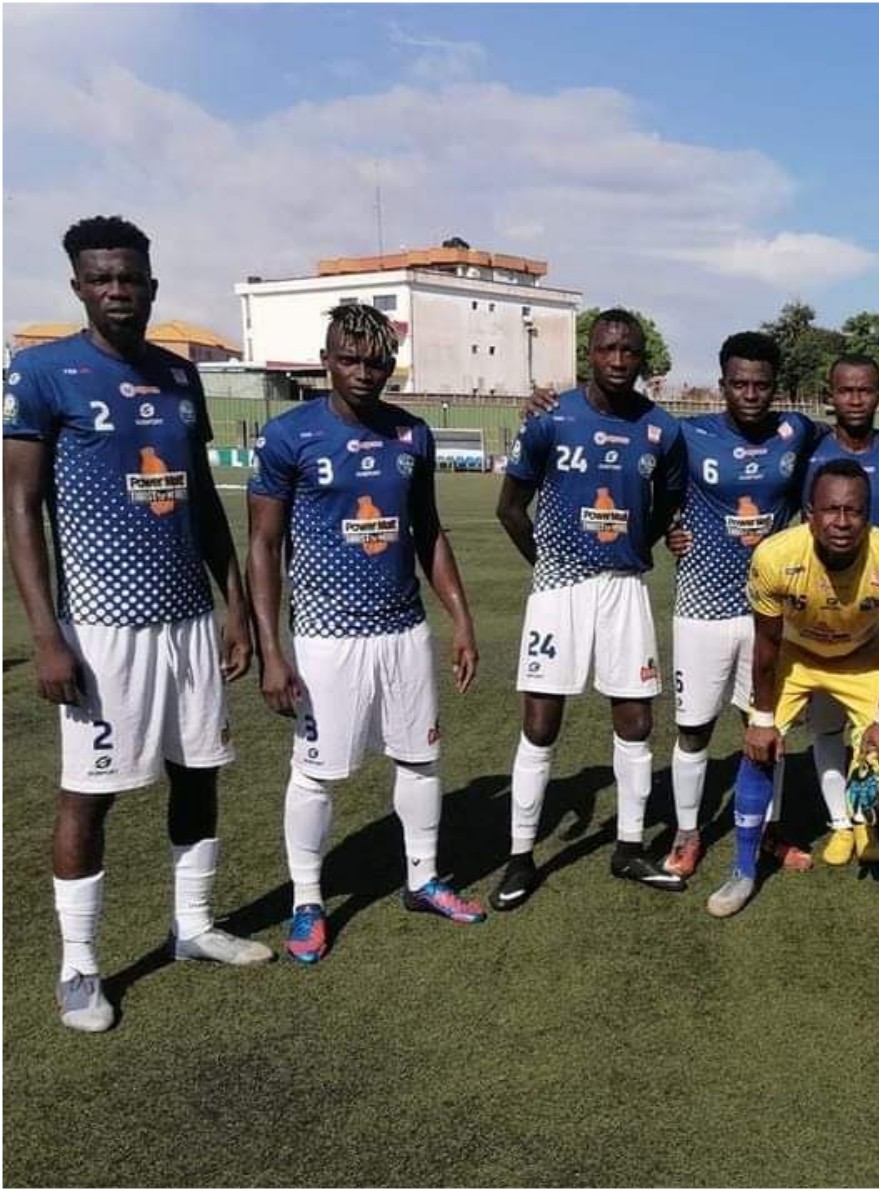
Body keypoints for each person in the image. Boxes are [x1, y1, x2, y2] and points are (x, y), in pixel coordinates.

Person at [3, 215, 271, 1032]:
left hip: (187, 620)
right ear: (79, 286)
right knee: (90, 793)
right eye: (101, 279)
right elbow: (18, 507)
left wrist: (234, 606)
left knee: (199, 772)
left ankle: (192, 925)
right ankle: (79, 966)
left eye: (130, 278)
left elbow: (203, 501)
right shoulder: (42, 373)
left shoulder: (179, 376)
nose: (117, 291)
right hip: (101, 628)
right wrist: (46, 634)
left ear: (151, 285)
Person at [247, 303, 485, 963]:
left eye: (375, 361)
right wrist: (271, 651)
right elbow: (263, 546)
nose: (362, 371)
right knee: (316, 773)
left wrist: (461, 618)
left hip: (404, 629)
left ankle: (423, 879)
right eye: (349, 359)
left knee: (420, 757)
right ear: (326, 360)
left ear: (390, 365)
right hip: (326, 636)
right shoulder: (289, 435)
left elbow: (428, 531)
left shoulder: (412, 435)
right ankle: (307, 901)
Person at [491, 309, 688, 907]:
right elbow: (510, 508)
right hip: (560, 593)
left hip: (625, 587)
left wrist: (640, 543)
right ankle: (520, 857)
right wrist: (550, 568)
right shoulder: (551, 418)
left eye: (629, 351)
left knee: (636, 721)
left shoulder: (661, 429)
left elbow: (667, 501)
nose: (619, 360)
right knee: (540, 723)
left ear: (642, 358)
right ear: (590, 354)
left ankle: (628, 847)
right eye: (608, 349)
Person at [705, 460, 879, 920]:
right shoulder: (775, 555)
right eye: (830, 510)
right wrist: (763, 720)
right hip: (795, 654)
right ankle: (743, 869)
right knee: (758, 747)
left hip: (862, 657)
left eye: (854, 511)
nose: (842, 522)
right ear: (809, 514)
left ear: (869, 516)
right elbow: (766, 641)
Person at [663, 331, 822, 878]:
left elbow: (853, 435)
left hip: (769, 611)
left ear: (776, 386)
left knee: (766, 724)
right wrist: (670, 527)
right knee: (694, 728)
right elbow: (639, 464)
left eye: (761, 385)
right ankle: (688, 833)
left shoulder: (795, 430)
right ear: (723, 383)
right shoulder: (688, 433)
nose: (750, 394)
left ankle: (770, 829)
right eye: (739, 384)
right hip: (701, 608)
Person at [797, 353, 879, 865]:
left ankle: (867, 820)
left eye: (865, 390)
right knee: (825, 725)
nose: (855, 399)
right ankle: (840, 824)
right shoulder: (808, 450)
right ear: (831, 395)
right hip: (823, 614)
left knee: (875, 727)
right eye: (845, 390)